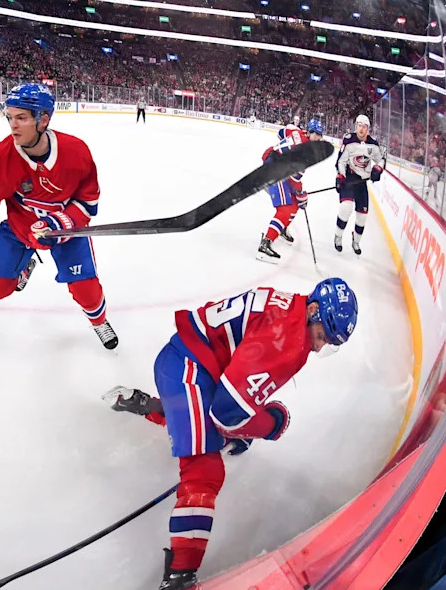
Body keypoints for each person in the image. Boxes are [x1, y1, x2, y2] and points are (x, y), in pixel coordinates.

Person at [102, 278, 358, 590]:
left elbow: (237, 383)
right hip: (188, 372)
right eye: (321, 336)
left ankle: (146, 404)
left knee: (206, 429)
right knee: (204, 470)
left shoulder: (293, 306)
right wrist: (272, 423)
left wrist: (244, 422)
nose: (319, 346)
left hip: (190, 363)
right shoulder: (287, 340)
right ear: (314, 310)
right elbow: (227, 415)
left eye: (327, 344)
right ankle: (180, 576)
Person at [0, 83, 118, 350]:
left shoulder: (76, 152)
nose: (13, 125)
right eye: (10, 117)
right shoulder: (0, 158)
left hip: (66, 234)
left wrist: (61, 223)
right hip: (19, 229)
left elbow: (88, 202)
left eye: (21, 118)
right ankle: (24, 266)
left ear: (43, 119)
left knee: (86, 292)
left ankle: (98, 321)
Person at [256, 120, 322, 263]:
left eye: (319, 136)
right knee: (286, 209)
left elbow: (282, 132)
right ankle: (265, 244)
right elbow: (294, 179)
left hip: (275, 163)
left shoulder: (296, 131)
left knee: (294, 203)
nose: (318, 138)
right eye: (315, 135)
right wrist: (301, 194)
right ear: (309, 133)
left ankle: (281, 228)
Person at [334, 114, 384, 255]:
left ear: (368, 129)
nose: (361, 129)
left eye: (364, 126)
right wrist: (340, 176)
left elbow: (381, 159)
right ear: (356, 126)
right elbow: (341, 161)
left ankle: (356, 241)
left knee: (362, 216)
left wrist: (378, 169)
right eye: (359, 126)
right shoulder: (349, 140)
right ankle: (338, 236)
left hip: (362, 183)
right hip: (350, 179)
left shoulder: (373, 144)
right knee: (346, 207)